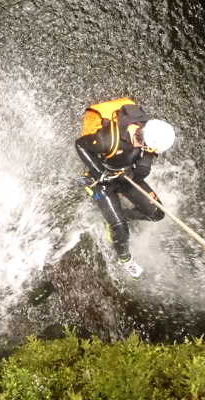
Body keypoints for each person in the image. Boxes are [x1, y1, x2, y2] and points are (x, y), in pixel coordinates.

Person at [75, 97, 175, 277]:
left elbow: (148, 153)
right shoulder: (109, 139)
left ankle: (118, 219)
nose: (149, 151)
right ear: (142, 136)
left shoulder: (148, 133)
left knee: (156, 213)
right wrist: (100, 173)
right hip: (101, 181)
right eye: (147, 148)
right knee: (120, 228)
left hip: (126, 175)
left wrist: (143, 166)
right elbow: (80, 145)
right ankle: (124, 258)